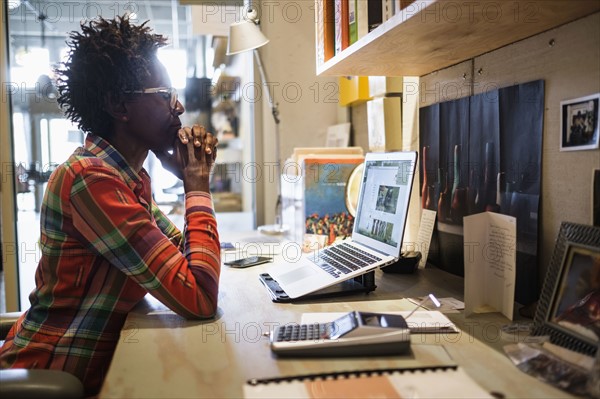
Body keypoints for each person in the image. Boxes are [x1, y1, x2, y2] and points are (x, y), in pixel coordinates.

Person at [0, 15, 221, 396]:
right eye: (165, 93)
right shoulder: (91, 180)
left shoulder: (125, 180)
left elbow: (182, 263)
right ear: (120, 105)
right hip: (50, 375)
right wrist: (196, 185)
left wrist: (187, 180)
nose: (179, 106)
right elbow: (199, 296)